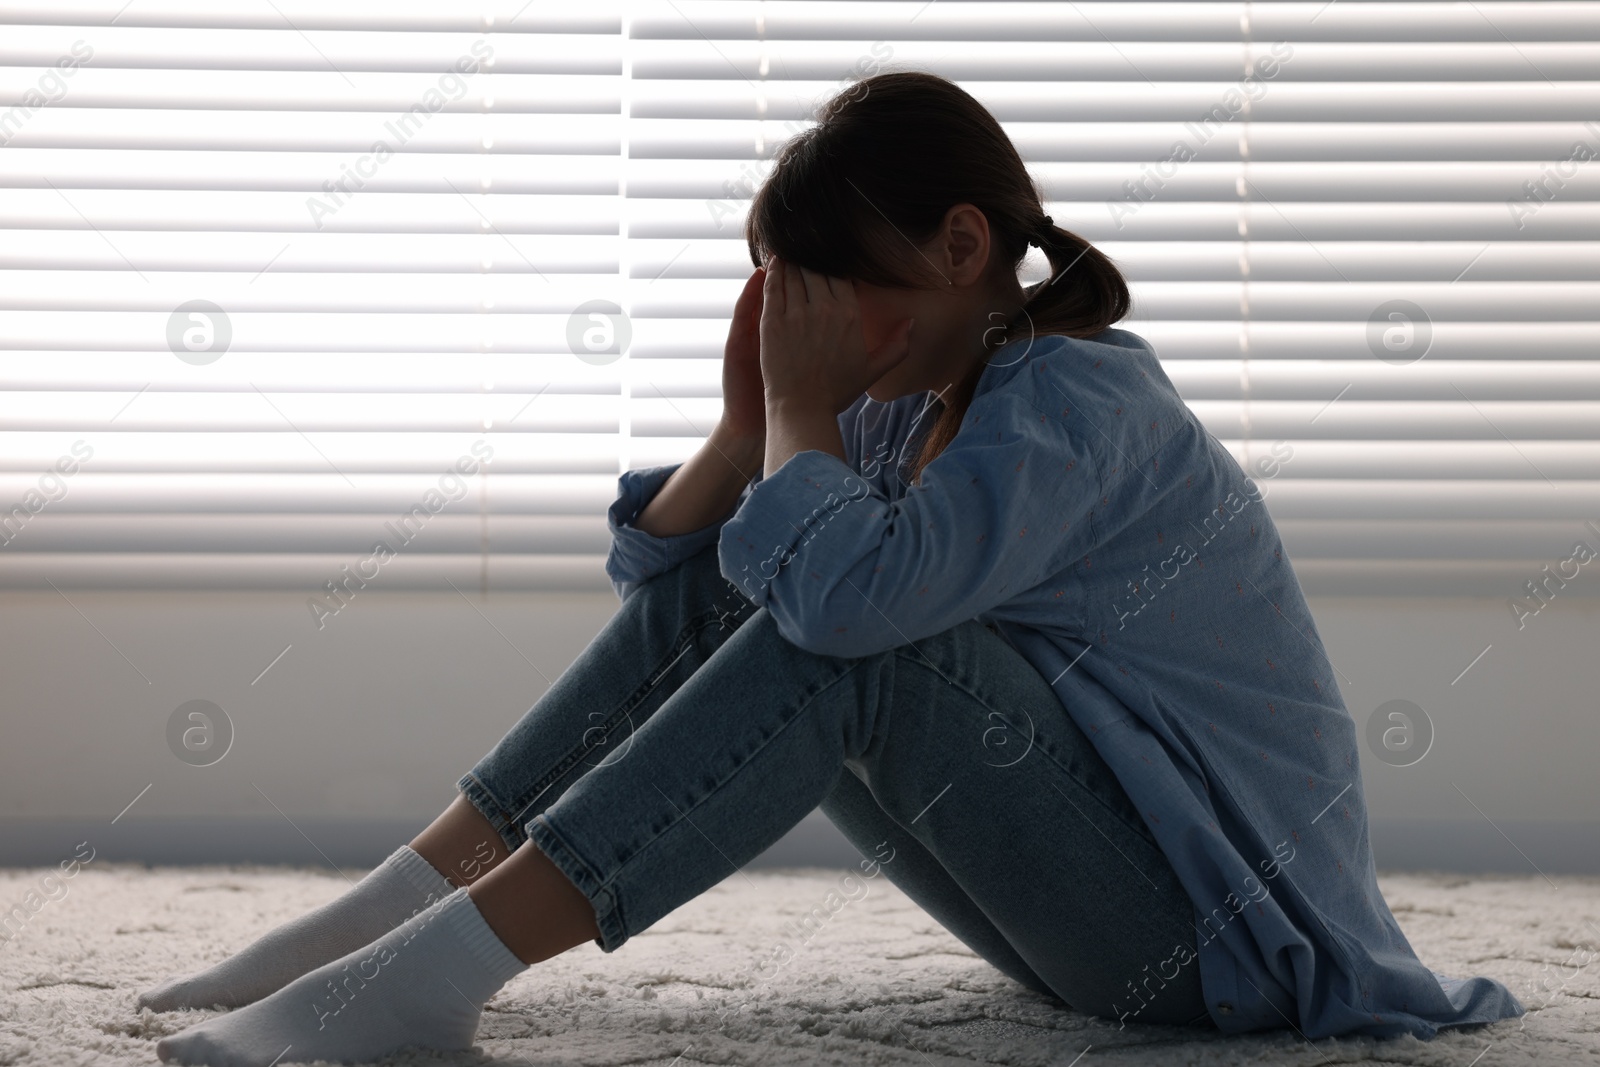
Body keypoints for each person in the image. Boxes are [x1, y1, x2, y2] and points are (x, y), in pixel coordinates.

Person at [141, 70, 1523, 1066]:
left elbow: (851, 612)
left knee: (862, 632)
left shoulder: (1078, 406)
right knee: (785, 588)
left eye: (819, 292)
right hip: (1090, 916)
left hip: (1222, 941)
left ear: (961, 249)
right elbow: (670, 596)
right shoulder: (914, 398)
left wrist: (797, 428)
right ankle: (394, 918)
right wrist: (750, 432)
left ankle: (432, 977)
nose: (800, 326)